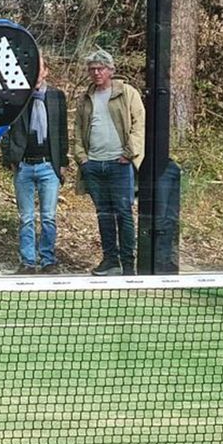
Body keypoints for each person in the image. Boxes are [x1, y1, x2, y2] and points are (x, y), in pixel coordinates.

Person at [74, 49, 145, 276]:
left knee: (123, 213)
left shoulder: (128, 93)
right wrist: (83, 159)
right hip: (93, 165)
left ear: (111, 70)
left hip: (120, 165)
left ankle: (128, 265)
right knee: (103, 214)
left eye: (100, 68)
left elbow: (139, 125)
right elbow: (77, 131)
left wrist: (129, 153)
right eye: (92, 69)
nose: (96, 73)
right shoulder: (86, 97)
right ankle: (110, 261)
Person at [0, 57, 68, 274]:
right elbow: (6, 129)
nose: (37, 74)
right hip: (24, 166)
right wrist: (10, 158)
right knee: (26, 217)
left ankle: (48, 259)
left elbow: (62, 131)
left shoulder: (57, 96)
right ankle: (28, 261)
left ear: (46, 72)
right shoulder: (17, 97)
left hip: (49, 166)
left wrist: (63, 162)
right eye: (33, 70)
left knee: (48, 216)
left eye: (40, 69)